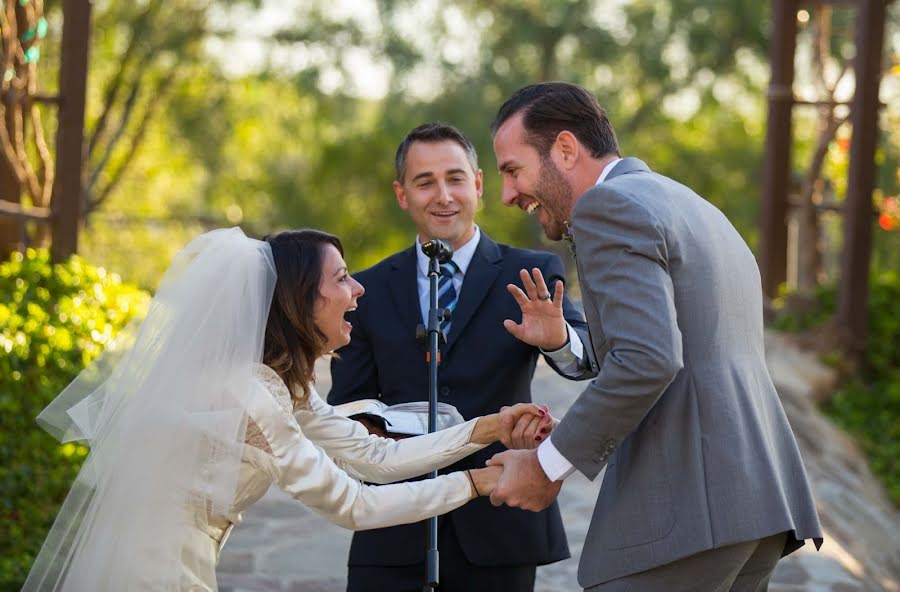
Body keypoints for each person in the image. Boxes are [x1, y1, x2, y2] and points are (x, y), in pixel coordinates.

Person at [23, 227, 552, 591]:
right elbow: (353, 505)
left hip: (182, 558)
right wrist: (478, 485)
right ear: (303, 301)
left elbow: (370, 455)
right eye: (342, 277)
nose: (358, 287)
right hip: (158, 571)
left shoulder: (275, 384)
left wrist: (489, 429)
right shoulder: (250, 396)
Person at [487, 82, 824, 591]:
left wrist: (546, 464)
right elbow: (674, 353)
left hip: (687, 511)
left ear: (564, 148)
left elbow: (648, 361)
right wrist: (561, 344)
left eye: (513, 170)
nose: (508, 194)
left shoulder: (606, 208)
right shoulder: (691, 205)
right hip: (756, 503)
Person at [327, 122, 595, 592]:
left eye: (454, 178)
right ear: (401, 194)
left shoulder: (532, 270)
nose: (442, 195)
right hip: (393, 524)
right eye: (424, 182)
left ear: (477, 184)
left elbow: (584, 362)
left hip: (498, 517)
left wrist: (556, 340)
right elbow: (351, 409)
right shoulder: (367, 290)